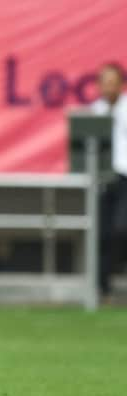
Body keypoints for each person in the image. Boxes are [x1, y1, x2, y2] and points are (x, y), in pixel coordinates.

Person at [90, 62, 127, 298]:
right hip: (102, 179)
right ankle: (102, 287)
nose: (108, 88)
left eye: (113, 83)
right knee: (101, 232)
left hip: (124, 176)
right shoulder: (95, 110)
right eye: (104, 83)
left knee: (121, 228)